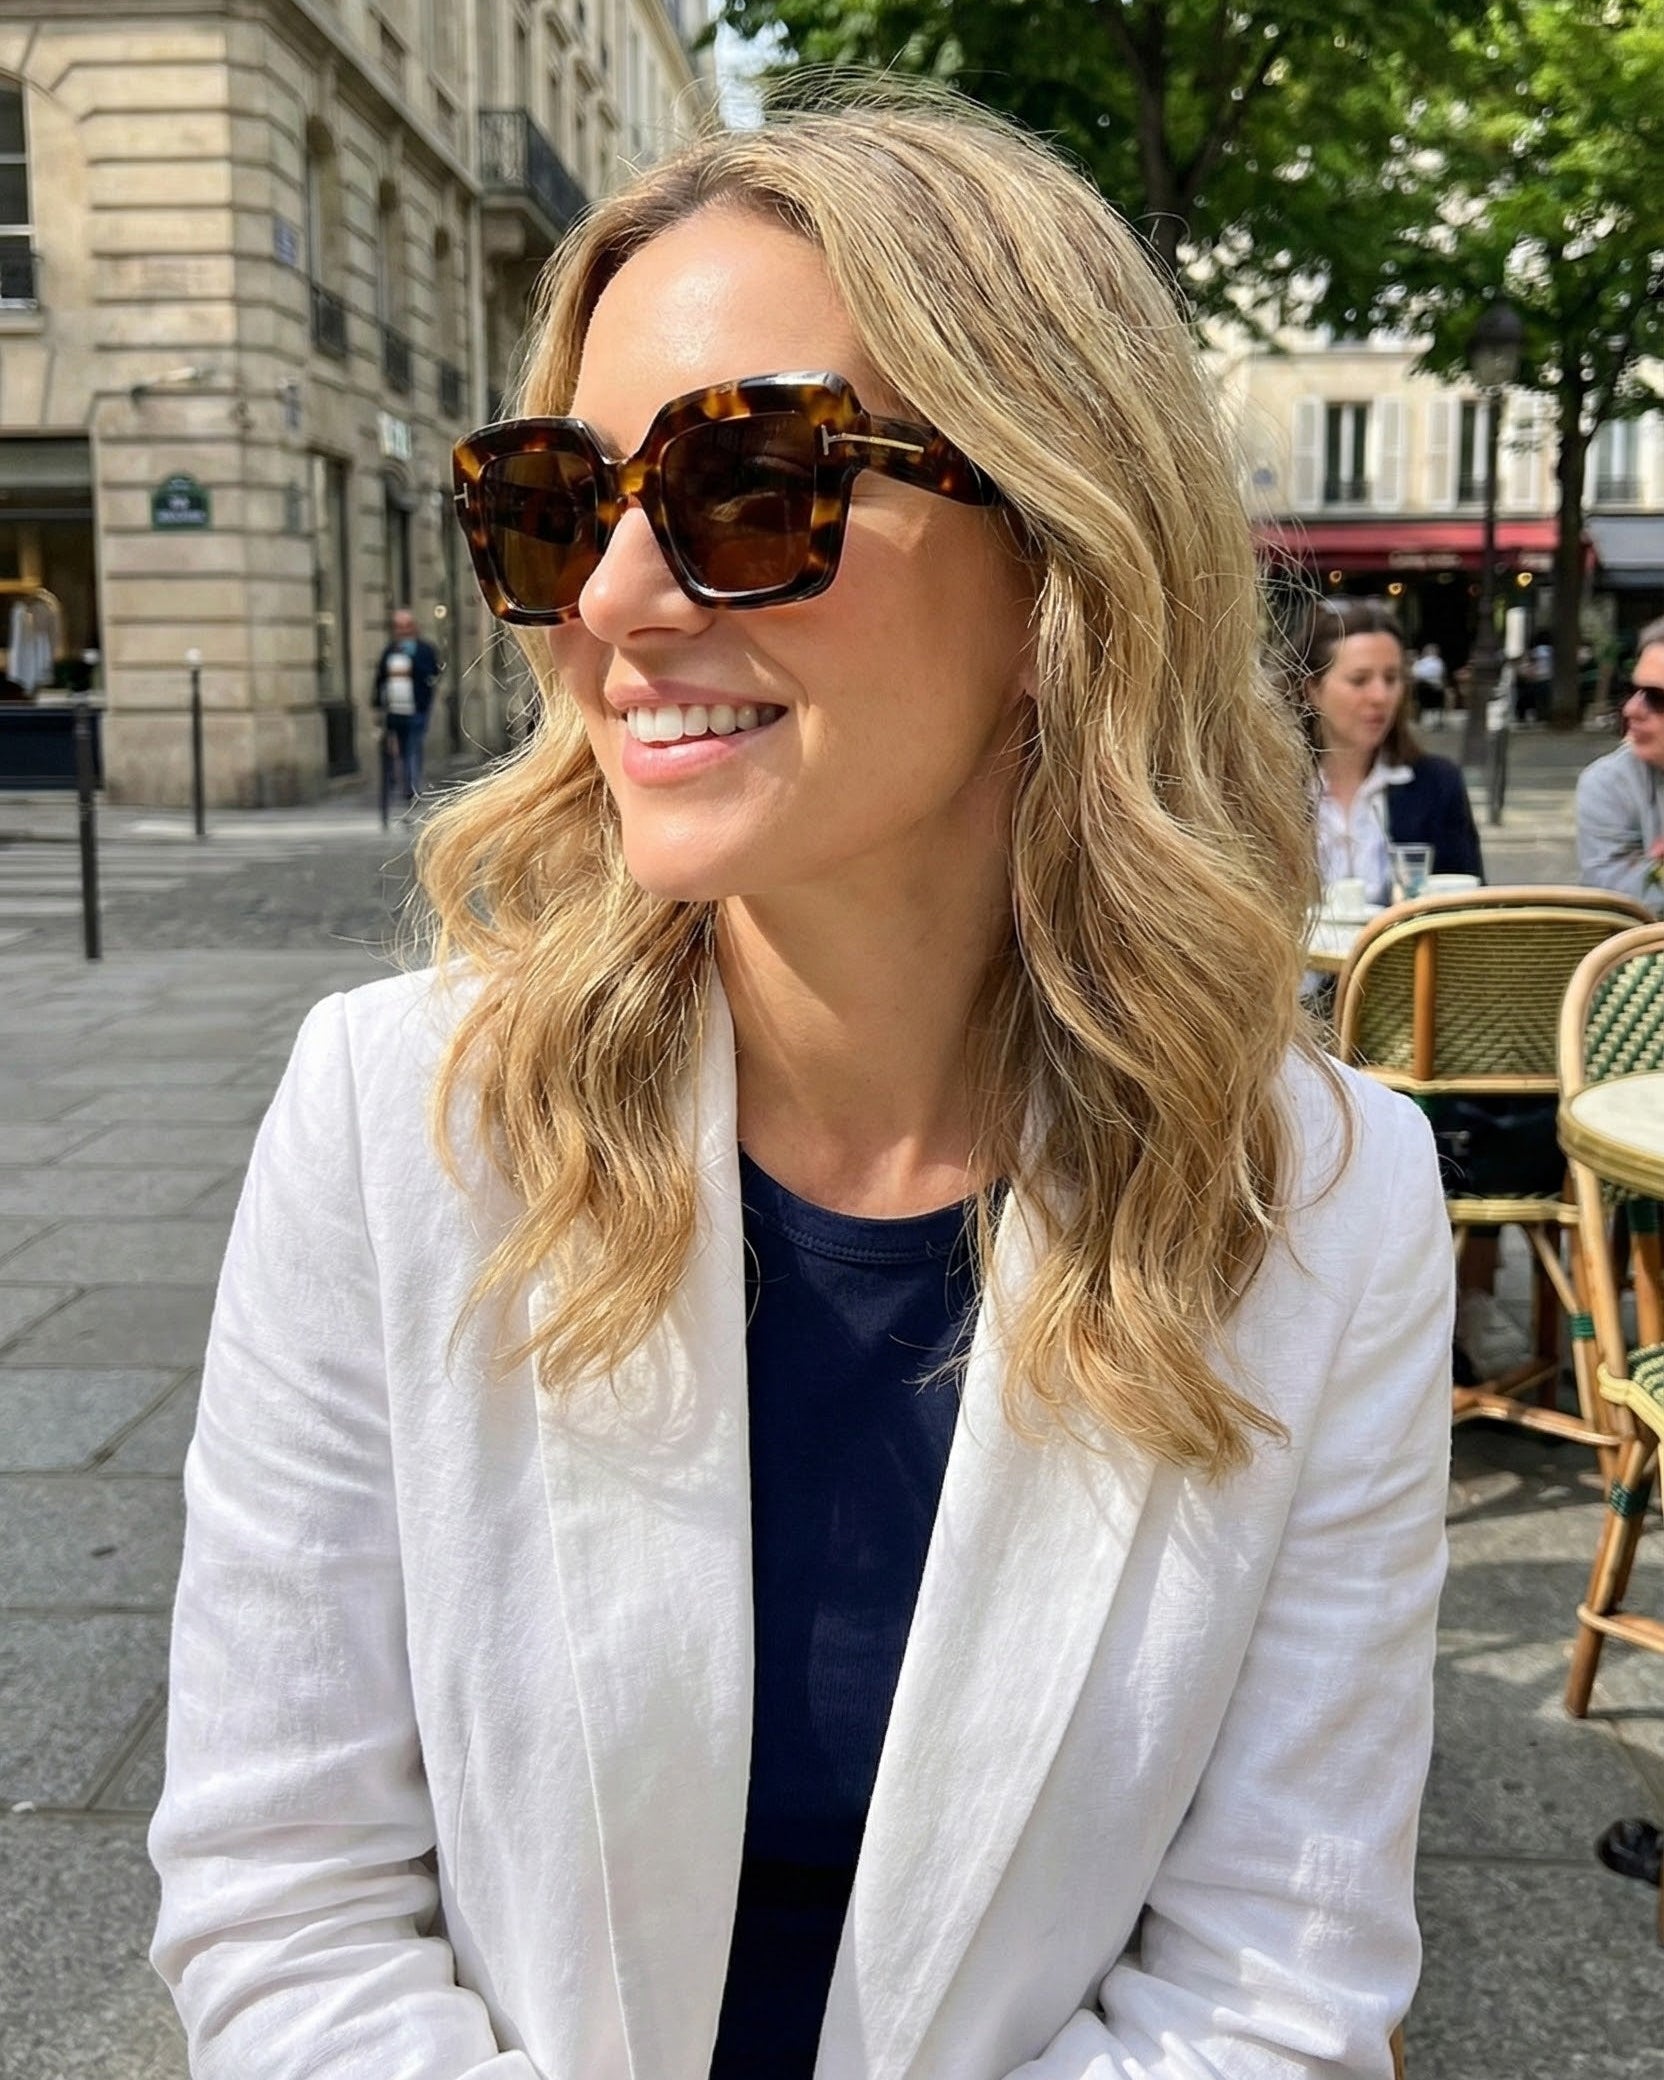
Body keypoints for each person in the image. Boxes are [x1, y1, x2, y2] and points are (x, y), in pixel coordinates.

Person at [150, 94, 1453, 2079]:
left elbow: (1274, 1983)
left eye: (746, 483)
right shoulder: (399, 1119)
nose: (608, 601)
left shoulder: (1327, 1206)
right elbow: (281, 1904)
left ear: (1064, 564)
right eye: (558, 501)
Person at [1285, 594, 1483, 903]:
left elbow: (1471, 903)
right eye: (1359, 680)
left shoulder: (1437, 784)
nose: (1380, 696)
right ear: (1312, 689)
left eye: (1391, 679)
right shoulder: (1275, 787)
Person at [1577, 612, 1664, 916]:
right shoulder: (1609, 783)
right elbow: (1619, 902)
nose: (1631, 709)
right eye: (1632, 690)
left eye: (1656, 698)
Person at [372, 604, 441, 798]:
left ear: (414, 626)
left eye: (407, 625)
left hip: (416, 709)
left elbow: (432, 674)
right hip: (394, 710)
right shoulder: (390, 651)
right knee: (399, 749)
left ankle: (411, 787)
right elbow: (381, 678)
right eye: (398, 626)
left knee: (413, 747)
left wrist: (412, 661)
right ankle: (402, 783)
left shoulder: (424, 650)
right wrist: (377, 703)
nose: (403, 630)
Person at [1410, 640, 1448, 725]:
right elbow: (1441, 675)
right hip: (1435, 691)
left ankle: (1419, 719)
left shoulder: (1418, 663)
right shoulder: (1439, 662)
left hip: (1422, 691)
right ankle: (1438, 719)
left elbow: (1414, 675)